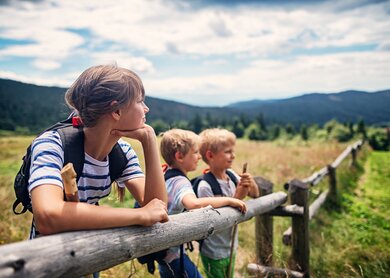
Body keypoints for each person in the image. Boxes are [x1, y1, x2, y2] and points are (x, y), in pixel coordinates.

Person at [28, 64, 168, 239]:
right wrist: (141, 215)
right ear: (116, 110)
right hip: (48, 261)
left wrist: (149, 141)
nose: (146, 108)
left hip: (91, 258)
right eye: (140, 101)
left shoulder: (122, 153)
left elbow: (158, 207)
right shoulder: (53, 144)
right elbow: (48, 216)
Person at [158, 129, 247, 278]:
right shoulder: (180, 182)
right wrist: (230, 200)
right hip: (173, 256)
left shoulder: (166, 175)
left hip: (163, 252)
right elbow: (193, 204)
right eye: (195, 152)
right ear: (179, 156)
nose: (199, 157)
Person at [197, 128, 260, 278]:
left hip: (231, 246)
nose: (233, 155)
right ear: (210, 155)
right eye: (227, 152)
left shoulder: (231, 175)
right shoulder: (205, 186)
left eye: (233, 151)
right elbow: (215, 221)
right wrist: (238, 197)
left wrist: (250, 183)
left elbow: (255, 194)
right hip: (214, 250)